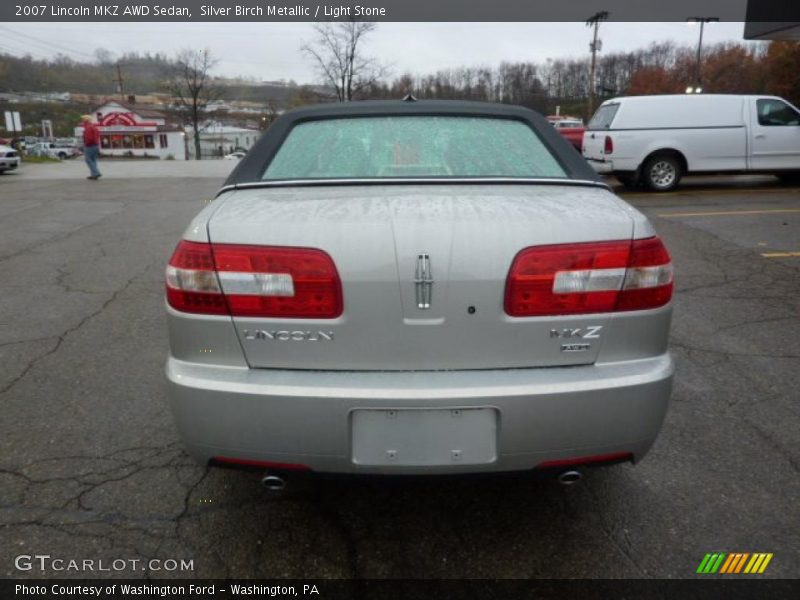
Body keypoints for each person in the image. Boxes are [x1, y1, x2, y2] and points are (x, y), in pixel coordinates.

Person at [80, 115, 101, 180]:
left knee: (88, 159)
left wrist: (86, 144)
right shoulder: (94, 127)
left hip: (90, 145)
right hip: (96, 145)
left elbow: (89, 138)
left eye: (83, 119)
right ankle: (93, 175)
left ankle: (96, 173)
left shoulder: (88, 128)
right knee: (93, 160)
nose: (82, 121)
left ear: (86, 120)